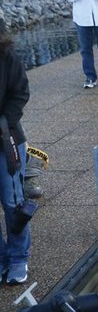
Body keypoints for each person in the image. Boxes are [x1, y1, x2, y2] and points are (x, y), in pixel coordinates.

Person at [0, 24, 32, 284]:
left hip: (6, 140)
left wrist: (4, 122)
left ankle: (18, 257)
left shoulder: (7, 56)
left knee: (13, 202)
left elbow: (20, 92)